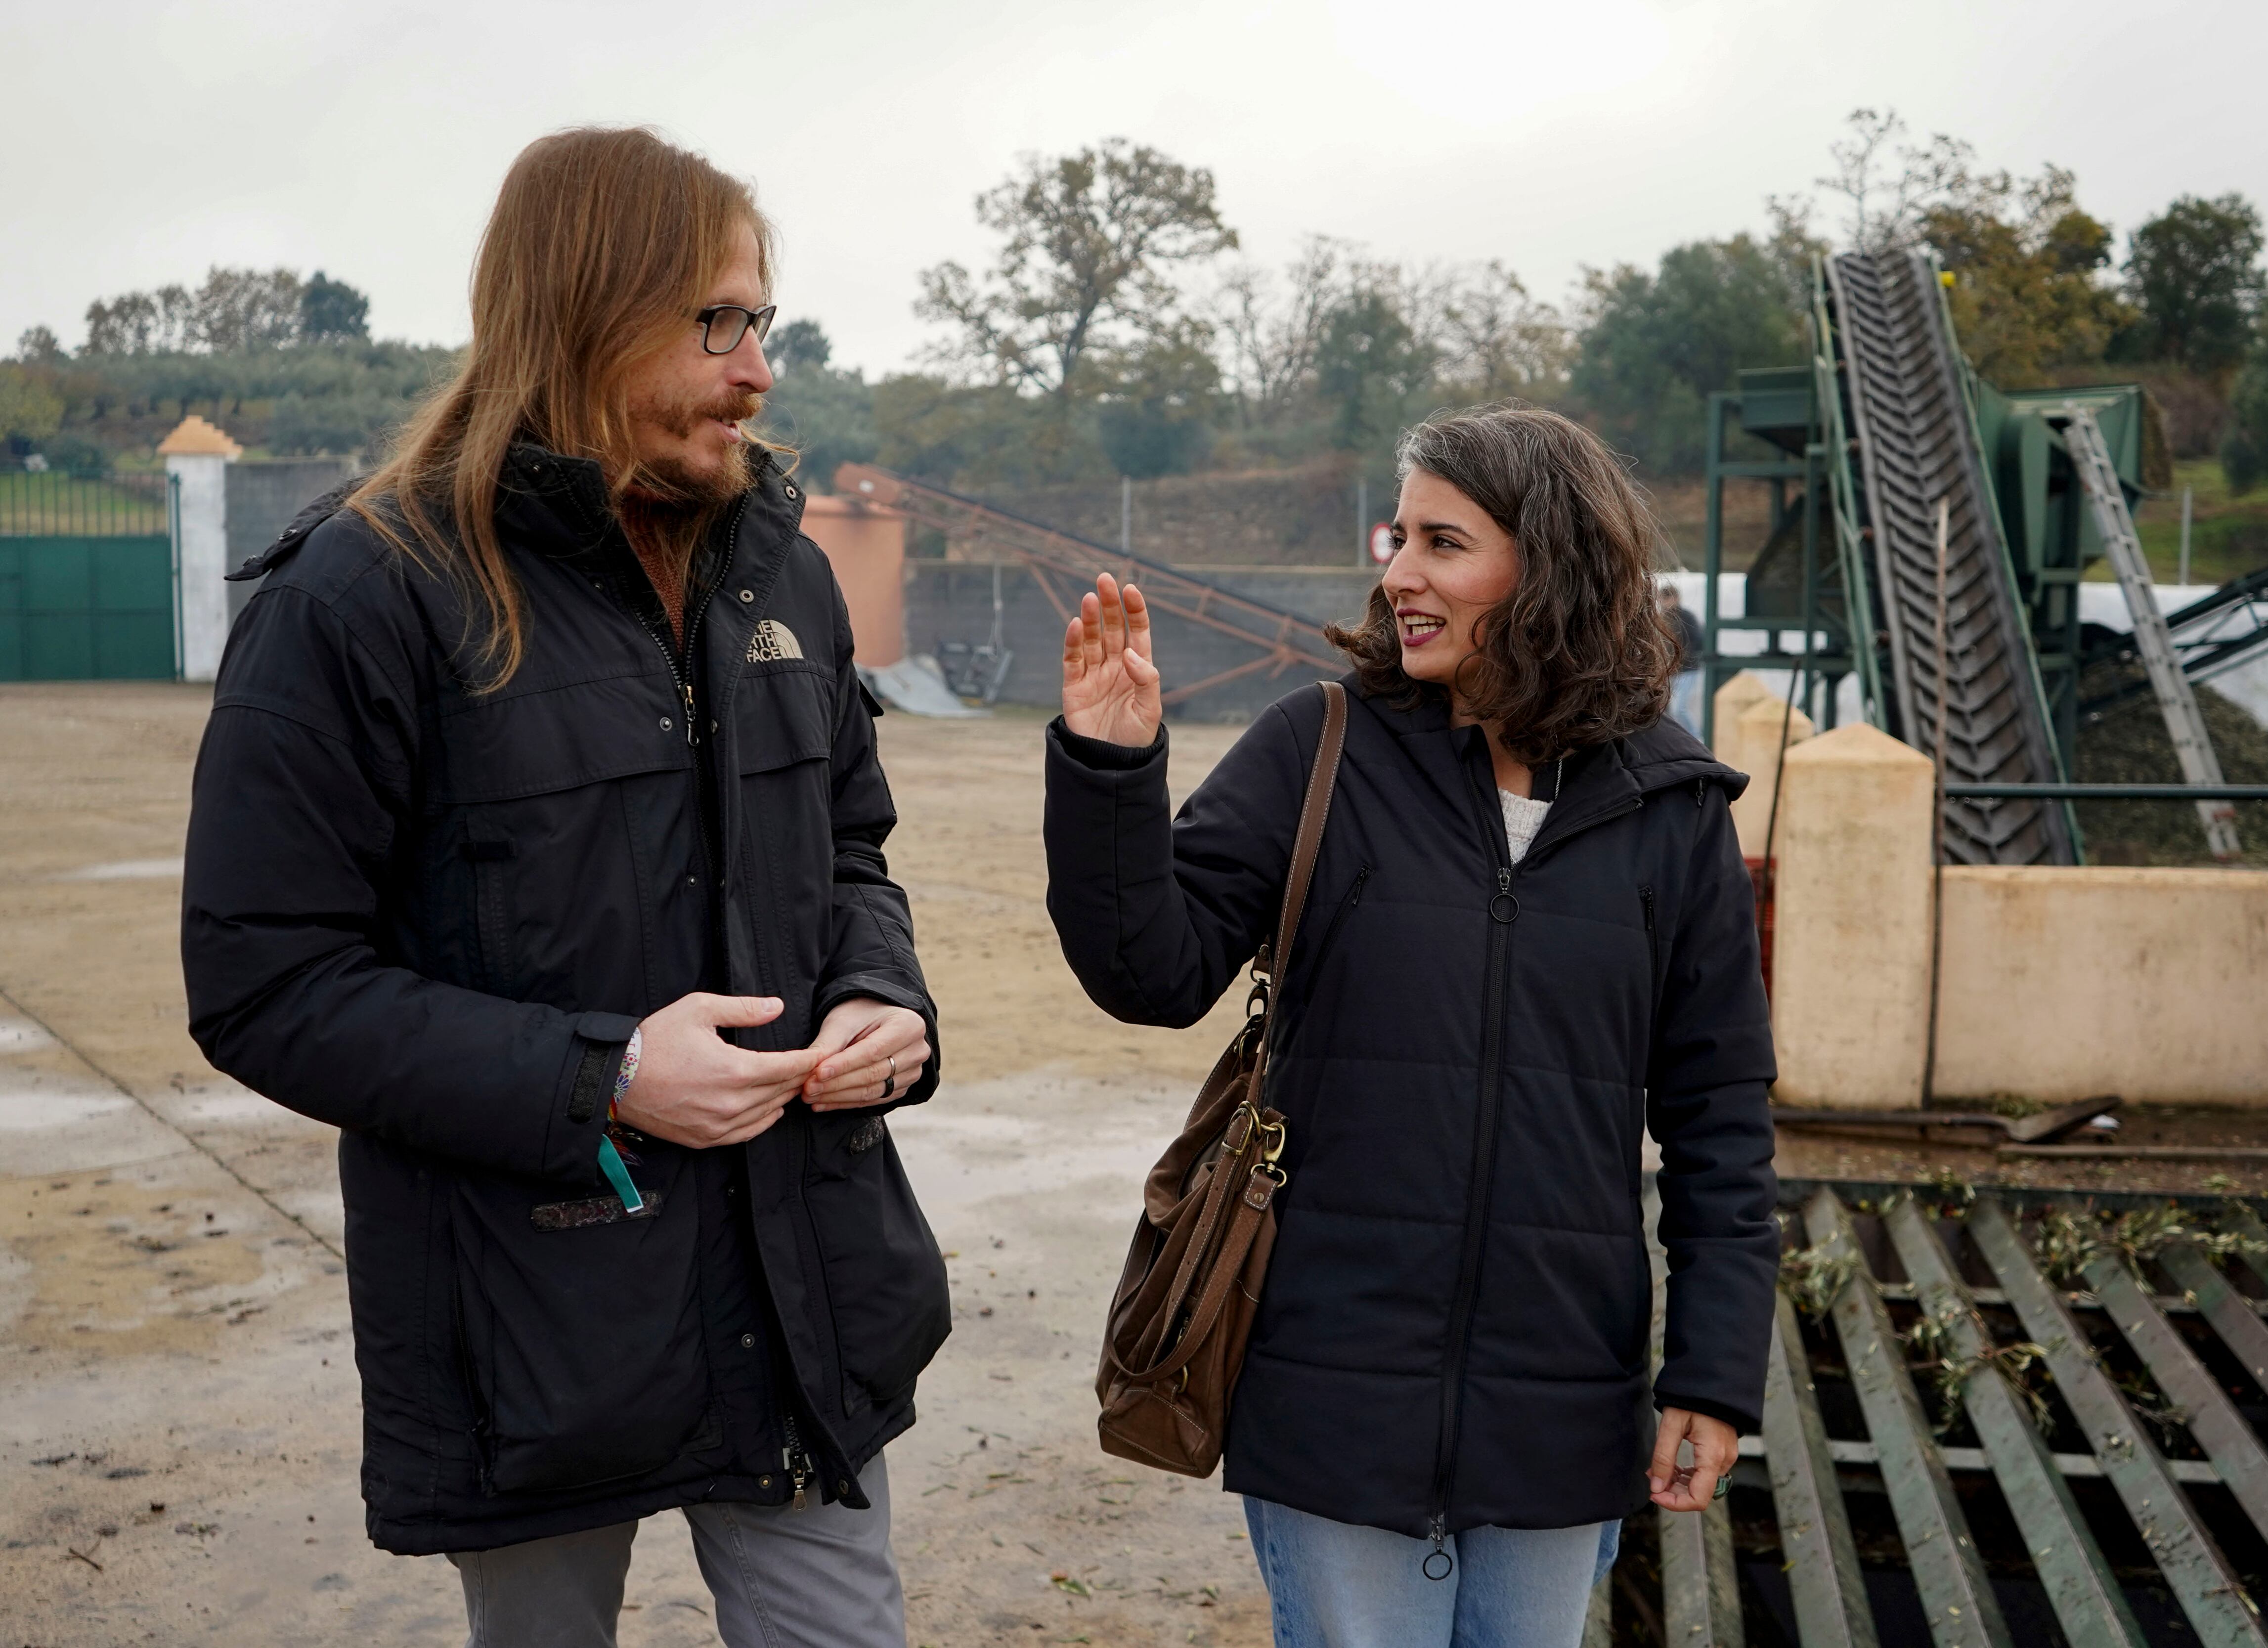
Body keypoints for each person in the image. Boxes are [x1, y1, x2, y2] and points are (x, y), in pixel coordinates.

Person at [181, 128, 947, 1648]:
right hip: (533, 1322)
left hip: (800, 1281)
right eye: (718, 322)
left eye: (764, 322)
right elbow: (264, 984)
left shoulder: (776, 573)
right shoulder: (369, 591)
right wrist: (601, 1077)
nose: (758, 367)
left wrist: (881, 993)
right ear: (585, 313)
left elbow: (852, 849)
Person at [1043, 404, 1780, 1648]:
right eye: (1401, 537)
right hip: (1331, 1397)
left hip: (1561, 1406)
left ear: (1546, 564)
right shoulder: (1317, 748)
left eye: (1445, 543)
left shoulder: (1673, 803)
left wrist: (1711, 1373)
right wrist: (1110, 771)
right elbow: (1149, 973)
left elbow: (1717, 1118)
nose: (1399, 575)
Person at [1660, 584, 1706, 737]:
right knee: (1669, 710)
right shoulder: (1662, 618)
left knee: (1680, 708)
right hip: (1670, 671)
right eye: (1663, 599)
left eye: (1668, 598)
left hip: (1687, 669)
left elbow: (1698, 641)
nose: (1666, 602)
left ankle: (1696, 738)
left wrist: (1684, 658)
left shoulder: (1687, 617)